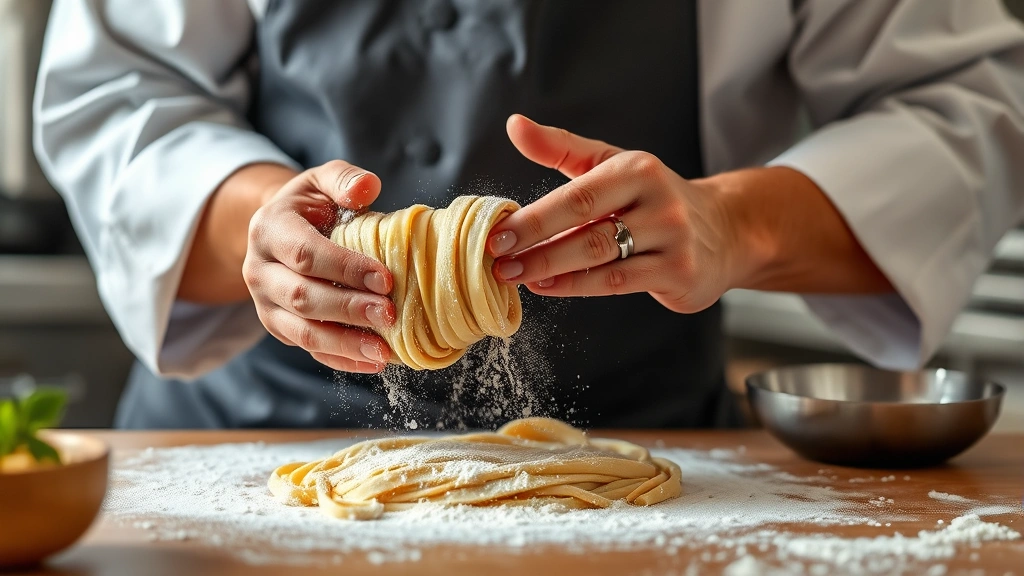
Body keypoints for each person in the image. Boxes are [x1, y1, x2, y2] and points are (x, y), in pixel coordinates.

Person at [34, 0, 1024, 429]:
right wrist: (258, 226)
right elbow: (121, 94)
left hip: (646, 463)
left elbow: (966, 103)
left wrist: (734, 223)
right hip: (250, 451)